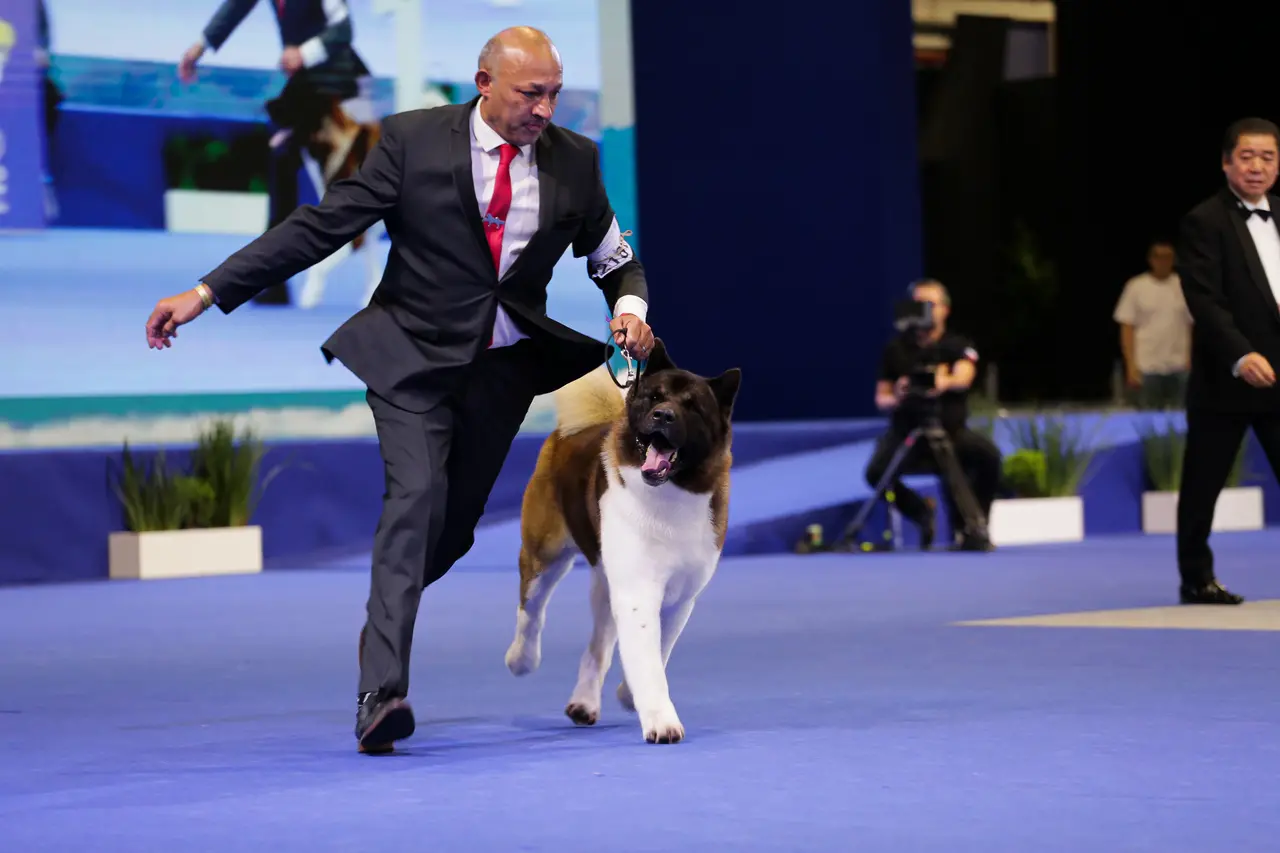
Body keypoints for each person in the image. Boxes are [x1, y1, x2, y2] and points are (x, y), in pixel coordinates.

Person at [145, 27, 656, 752]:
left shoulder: (576, 162)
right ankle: (380, 693)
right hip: (409, 361)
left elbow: (616, 261)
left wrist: (628, 309)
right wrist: (206, 291)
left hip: (499, 375)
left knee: (446, 533)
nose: (545, 108)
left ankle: (386, 608)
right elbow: (319, 227)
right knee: (413, 500)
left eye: (554, 92)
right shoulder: (412, 142)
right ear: (484, 83)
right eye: (528, 93)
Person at [179, 0, 372, 305]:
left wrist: (303, 52)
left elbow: (344, 30)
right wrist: (199, 47)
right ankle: (274, 277)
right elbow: (235, 8)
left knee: (362, 190)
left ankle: (383, 277)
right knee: (283, 163)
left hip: (345, 86)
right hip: (307, 89)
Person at [1175, 116, 1280, 606]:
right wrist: (1241, 355)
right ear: (1226, 162)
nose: (1257, 166)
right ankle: (1196, 578)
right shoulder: (1204, 220)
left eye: (1267, 157)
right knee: (1203, 484)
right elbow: (1205, 301)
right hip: (1227, 379)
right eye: (1247, 156)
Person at [866, 280, 1001, 551]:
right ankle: (920, 512)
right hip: (908, 435)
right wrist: (899, 394)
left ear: (945, 310)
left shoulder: (956, 345)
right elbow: (882, 397)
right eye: (917, 305)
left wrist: (944, 382)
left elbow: (965, 376)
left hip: (951, 434)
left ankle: (973, 527)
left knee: (989, 458)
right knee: (875, 473)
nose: (923, 311)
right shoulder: (896, 349)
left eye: (930, 305)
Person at [1113, 239, 1192, 409]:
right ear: (1151, 259)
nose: (1163, 261)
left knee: (1182, 418)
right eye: (1159, 257)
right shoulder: (1136, 286)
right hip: (1146, 367)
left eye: (1168, 257)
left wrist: (1190, 358)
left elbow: (1191, 325)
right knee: (1148, 420)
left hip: (1179, 366)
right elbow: (1127, 327)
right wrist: (1131, 365)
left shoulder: (1184, 285)